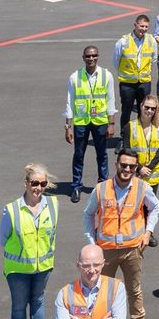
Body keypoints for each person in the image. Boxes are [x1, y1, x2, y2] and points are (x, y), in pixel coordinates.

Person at [82, 148, 159, 319]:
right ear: (116, 164)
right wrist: (92, 243)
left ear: (136, 168)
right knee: (102, 291)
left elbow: (155, 207)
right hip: (105, 250)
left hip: (132, 248)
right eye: (123, 165)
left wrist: (148, 233)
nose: (127, 169)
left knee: (134, 290)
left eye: (131, 166)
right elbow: (88, 214)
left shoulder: (142, 188)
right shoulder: (101, 189)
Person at [2, 163, 59, 319]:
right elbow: (4, 238)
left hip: (42, 267)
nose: (38, 187)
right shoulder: (12, 210)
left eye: (42, 183)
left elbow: (51, 234)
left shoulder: (53, 205)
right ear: (26, 183)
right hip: (18, 269)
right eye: (34, 183)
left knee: (38, 302)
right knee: (19, 306)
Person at [65, 45, 117, 204]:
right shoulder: (75, 77)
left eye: (94, 55)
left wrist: (111, 123)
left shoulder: (106, 75)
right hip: (81, 122)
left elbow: (111, 100)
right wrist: (68, 126)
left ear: (98, 56)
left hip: (100, 121)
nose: (91, 59)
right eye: (88, 56)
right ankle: (76, 186)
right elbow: (70, 102)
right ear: (83, 58)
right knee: (78, 155)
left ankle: (103, 185)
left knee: (102, 155)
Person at [112, 15, 156, 138]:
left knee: (144, 111)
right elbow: (116, 61)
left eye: (146, 27)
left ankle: (140, 137)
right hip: (127, 83)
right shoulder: (123, 42)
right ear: (135, 25)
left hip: (144, 82)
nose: (144, 29)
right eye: (141, 26)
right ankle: (124, 138)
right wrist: (127, 73)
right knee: (126, 111)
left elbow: (154, 58)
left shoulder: (151, 41)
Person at [126, 95, 159, 213]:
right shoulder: (130, 126)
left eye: (153, 108)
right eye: (147, 107)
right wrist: (139, 168)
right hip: (136, 174)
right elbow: (127, 150)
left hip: (152, 175)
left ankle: (148, 232)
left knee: (150, 208)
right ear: (141, 106)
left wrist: (148, 168)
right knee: (135, 207)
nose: (149, 111)